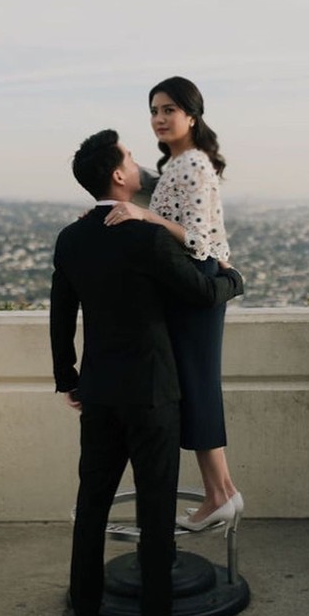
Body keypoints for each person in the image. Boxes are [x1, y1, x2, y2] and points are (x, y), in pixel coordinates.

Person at [50, 129, 243, 616]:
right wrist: (234, 277)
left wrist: (68, 378)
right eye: (131, 158)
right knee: (155, 509)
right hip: (154, 393)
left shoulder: (71, 239)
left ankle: (85, 614)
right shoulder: (147, 238)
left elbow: (62, 316)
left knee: (92, 502)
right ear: (118, 175)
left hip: (100, 391)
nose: (138, 163)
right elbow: (202, 293)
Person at [104, 76, 244, 531]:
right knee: (195, 385)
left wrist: (144, 214)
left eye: (169, 110)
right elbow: (158, 194)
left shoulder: (194, 166)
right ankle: (221, 493)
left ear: (191, 115)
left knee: (198, 386)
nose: (159, 119)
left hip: (196, 283)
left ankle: (220, 494)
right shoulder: (179, 165)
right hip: (189, 284)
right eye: (154, 110)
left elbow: (199, 239)